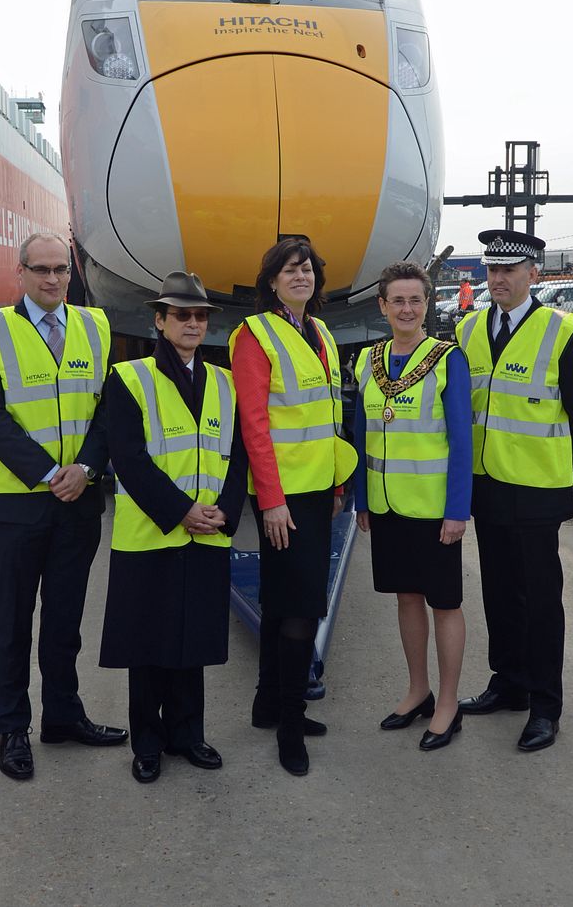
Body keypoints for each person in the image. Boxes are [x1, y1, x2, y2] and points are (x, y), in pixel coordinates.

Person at [0, 232, 127, 782]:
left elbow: (108, 409)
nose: (53, 279)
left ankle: (62, 715)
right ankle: (12, 728)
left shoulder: (95, 325)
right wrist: (47, 473)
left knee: (64, 618)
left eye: (61, 269)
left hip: (78, 500)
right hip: (18, 505)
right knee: (11, 620)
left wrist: (84, 470)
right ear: (21, 272)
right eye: (41, 269)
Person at [456, 229, 573, 752]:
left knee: (541, 601)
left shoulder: (561, 331)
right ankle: (509, 683)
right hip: (487, 486)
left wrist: (551, 466)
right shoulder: (469, 328)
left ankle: (545, 704)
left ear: (533, 274)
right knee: (498, 591)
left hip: (537, 492)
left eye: (509, 270)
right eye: (492, 270)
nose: (497, 279)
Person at [99, 271, 248, 784]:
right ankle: (147, 742)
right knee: (147, 645)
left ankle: (188, 734)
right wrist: (182, 510)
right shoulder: (129, 378)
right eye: (181, 314)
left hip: (208, 531)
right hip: (151, 534)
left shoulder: (226, 382)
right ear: (159, 321)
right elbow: (130, 460)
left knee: (192, 641)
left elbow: (240, 457)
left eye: (200, 315)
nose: (192, 323)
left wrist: (225, 511)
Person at [230, 238, 357, 776]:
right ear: (272, 281)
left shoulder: (321, 333)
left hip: (316, 490)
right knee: (304, 609)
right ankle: (290, 723)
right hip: (281, 496)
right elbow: (254, 424)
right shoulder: (255, 335)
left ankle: (266, 704)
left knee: (283, 601)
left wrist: (333, 490)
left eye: (307, 268)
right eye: (289, 270)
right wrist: (273, 501)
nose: (300, 276)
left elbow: (327, 419)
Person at [354, 262, 472, 751]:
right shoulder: (366, 360)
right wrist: (362, 498)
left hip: (433, 509)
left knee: (444, 603)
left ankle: (448, 703)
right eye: (397, 301)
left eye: (415, 300)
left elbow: (463, 440)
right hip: (385, 505)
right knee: (405, 598)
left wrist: (457, 510)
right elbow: (361, 434)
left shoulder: (448, 360)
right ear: (383, 306)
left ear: (427, 305)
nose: (407, 309)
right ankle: (417, 689)